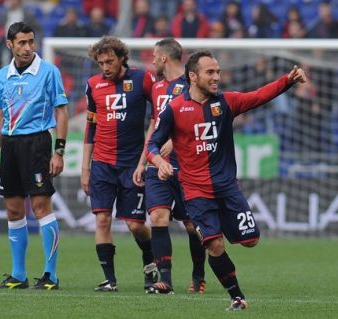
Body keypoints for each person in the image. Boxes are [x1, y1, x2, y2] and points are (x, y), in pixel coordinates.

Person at [147, 50, 306, 310]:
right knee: (214, 245)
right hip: (195, 192)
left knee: (251, 240)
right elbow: (152, 143)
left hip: (227, 189)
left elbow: (258, 96)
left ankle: (218, 226)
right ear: (193, 76)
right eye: (210, 72)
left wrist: (287, 80)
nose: (216, 77)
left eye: (218, 72)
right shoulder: (175, 109)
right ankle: (237, 297)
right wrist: (160, 161)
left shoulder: (226, 103)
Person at [0, 22, 69, 290]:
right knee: (12, 209)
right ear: (10, 44)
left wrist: (59, 151)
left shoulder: (48, 71)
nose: (27, 47)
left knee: (41, 207)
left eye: (30, 41)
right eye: (21, 43)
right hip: (9, 146)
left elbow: (62, 112)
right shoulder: (3, 75)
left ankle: (51, 275)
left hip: (37, 143)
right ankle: (18, 275)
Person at [81, 36, 158, 292]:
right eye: (101, 62)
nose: (105, 66)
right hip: (102, 164)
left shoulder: (142, 79)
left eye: (110, 61)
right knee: (102, 220)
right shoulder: (93, 85)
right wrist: (85, 168)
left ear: (122, 57)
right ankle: (109, 280)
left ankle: (150, 263)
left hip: (132, 165)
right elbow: (90, 127)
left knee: (135, 224)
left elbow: (158, 116)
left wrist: (146, 158)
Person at [134, 38, 206, 294]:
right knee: (158, 217)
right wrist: (143, 160)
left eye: (154, 55)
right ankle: (165, 280)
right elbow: (154, 125)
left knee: (191, 225)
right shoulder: (156, 87)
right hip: (158, 165)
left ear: (164, 57)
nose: (152, 60)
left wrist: (174, 143)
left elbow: (198, 120)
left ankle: (199, 275)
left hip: (187, 165)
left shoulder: (192, 83)